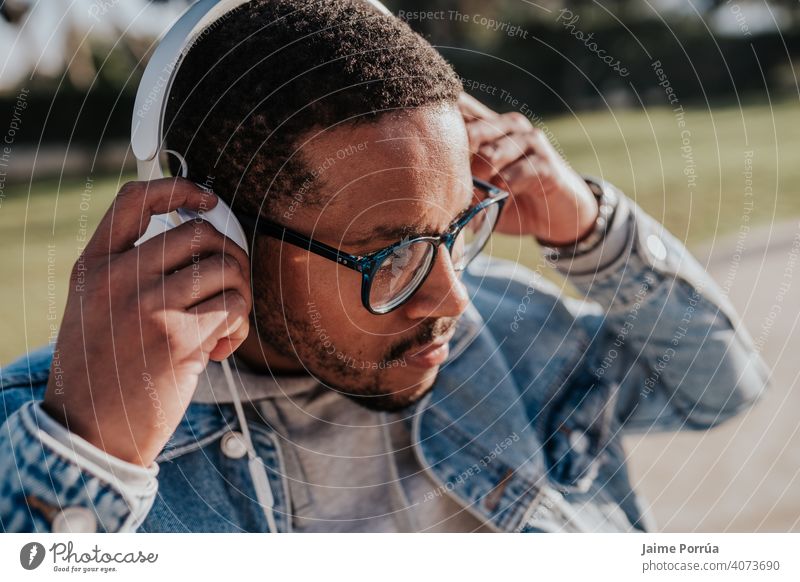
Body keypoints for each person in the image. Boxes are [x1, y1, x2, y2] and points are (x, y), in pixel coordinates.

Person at [0, 0, 769, 533]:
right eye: (391, 254)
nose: (453, 302)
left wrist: (591, 229)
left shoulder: (509, 323)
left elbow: (717, 386)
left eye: (460, 227)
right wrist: (89, 457)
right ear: (213, 231)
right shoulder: (53, 427)